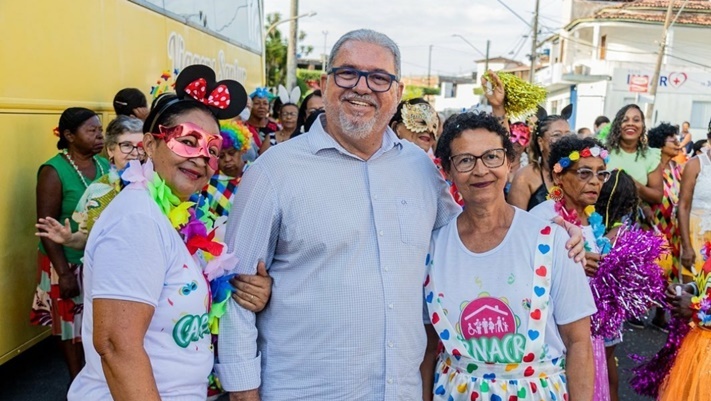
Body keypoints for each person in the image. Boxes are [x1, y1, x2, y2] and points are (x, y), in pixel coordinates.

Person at [216, 29, 585, 401]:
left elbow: (469, 234)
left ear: (397, 92)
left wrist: (555, 233)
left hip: (401, 390)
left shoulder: (419, 168)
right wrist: (243, 391)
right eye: (348, 73)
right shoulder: (273, 172)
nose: (362, 87)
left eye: (379, 77)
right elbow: (235, 293)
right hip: (306, 391)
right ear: (325, 84)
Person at [66, 65, 255, 400]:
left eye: (212, 150)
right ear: (151, 145)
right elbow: (116, 346)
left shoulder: (172, 218)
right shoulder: (136, 220)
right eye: (187, 141)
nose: (201, 158)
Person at [423, 113, 595, 401]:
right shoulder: (433, 247)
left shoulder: (551, 240)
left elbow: (578, 343)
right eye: (465, 160)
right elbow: (427, 347)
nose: (480, 170)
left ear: (510, 163)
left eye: (492, 157)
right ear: (448, 171)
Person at [529, 136, 616, 401]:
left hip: (590, 336)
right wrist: (570, 264)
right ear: (558, 176)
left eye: (601, 174)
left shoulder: (593, 219)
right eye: (585, 173)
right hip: (556, 336)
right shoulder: (543, 217)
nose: (595, 181)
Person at [30, 107, 110, 382]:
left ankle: (97, 379)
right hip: (64, 262)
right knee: (70, 327)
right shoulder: (53, 171)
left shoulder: (104, 165)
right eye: (91, 131)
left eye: (100, 130)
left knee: (95, 322)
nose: (99, 136)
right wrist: (64, 273)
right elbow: (46, 227)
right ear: (69, 136)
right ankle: (78, 384)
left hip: (97, 260)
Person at [508, 115, 572, 210]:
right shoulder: (525, 176)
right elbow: (516, 217)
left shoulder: (575, 172)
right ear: (540, 142)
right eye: (556, 135)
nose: (564, 140)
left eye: (567, 135)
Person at [605, 104, 663, 207]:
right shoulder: (603, 151)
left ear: (643, 126)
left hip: (634, 215)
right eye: (625, 120)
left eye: (636, 120)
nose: (630, 123)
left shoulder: (651, 156)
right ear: (617, 125)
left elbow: (658, 196)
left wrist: (632, 184)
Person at [648, 123, 684, 286]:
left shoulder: (678, 168)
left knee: (671, 275)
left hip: (673, 230)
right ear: (660, 144)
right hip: (654, 227)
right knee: (654, 271)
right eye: (673, 140)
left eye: (678, 139)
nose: (678, 143)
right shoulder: (651, 168)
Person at [195, 119, 252, 218]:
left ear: (242, 150)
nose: (227, 159)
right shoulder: (209, 184)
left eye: (231, 153)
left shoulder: (256, 174)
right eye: (221, 156)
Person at [679, 121, 711, 280]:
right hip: (696, 238)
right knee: (693, 291)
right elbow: (683, 206)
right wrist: (686, 247)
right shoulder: (696, 164)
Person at [259, 86, 300, 154]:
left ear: (298, 117)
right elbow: (261, 158)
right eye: (285, 114)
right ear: (280, 117)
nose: (288, 117)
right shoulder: (271, 137)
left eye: (292, 114)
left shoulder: (302, 137)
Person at [506, 121, 531, 195]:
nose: (517, 141)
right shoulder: (499, 159)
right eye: (514, 136)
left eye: (522, 137)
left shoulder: (530, 165)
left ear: (527, 142)